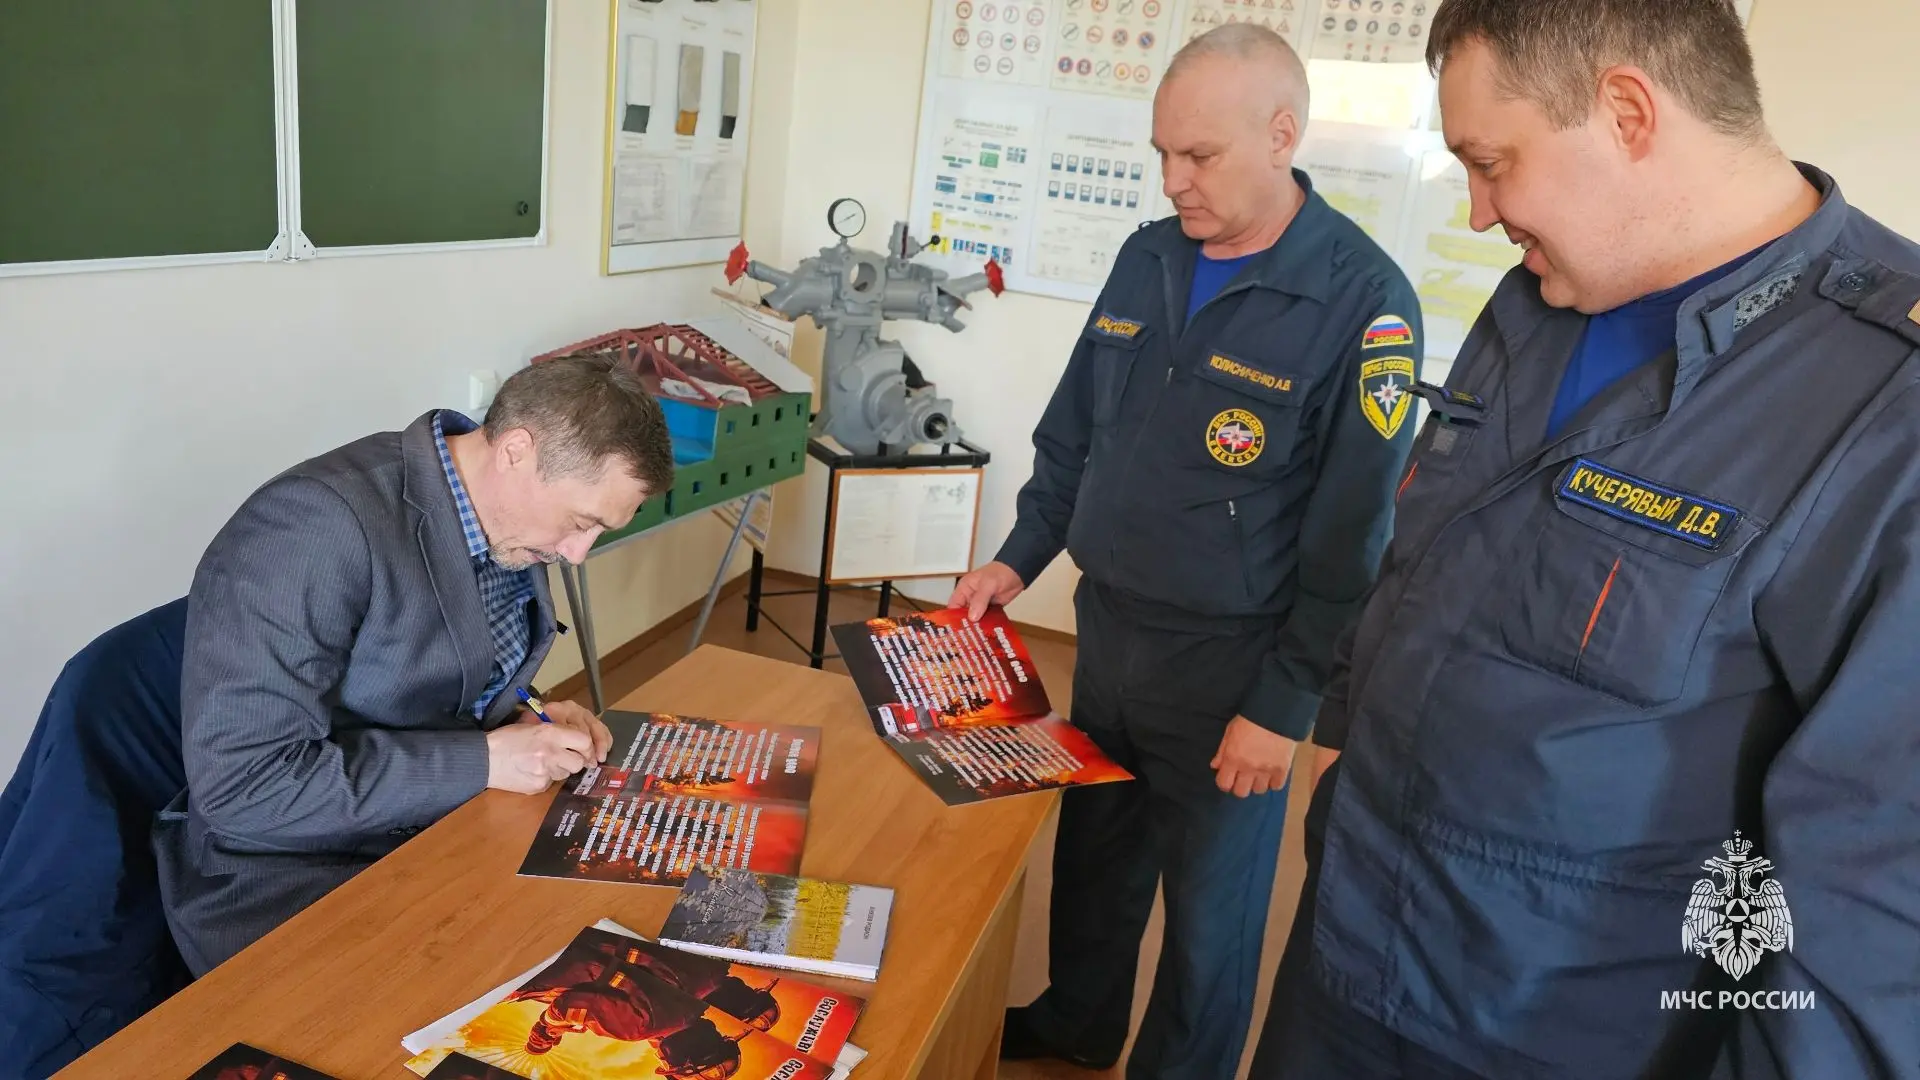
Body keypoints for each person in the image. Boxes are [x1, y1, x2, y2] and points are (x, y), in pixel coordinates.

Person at [1248, 1, 1920, 1077]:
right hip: (1348, 960)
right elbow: (1424, 566)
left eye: (1491, 164)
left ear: (1626, 113)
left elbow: (1876, 915)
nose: (1479, 214)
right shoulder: (1539, 301)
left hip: (1561, 1040)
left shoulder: (1888, 403)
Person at [949, 23, 1424, 1078]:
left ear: (1282, 136)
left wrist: (1285, 706)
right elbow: (1074, 436)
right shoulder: (1149, 256)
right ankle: (1078, 1024)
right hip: (1110, 632)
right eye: (1162, 153)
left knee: (1211, 913)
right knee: (1095, 858)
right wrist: (1017, 559)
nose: (1173, 181)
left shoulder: (1364, 300)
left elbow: (1354, 532)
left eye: (1200, 155)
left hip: (1232, 664)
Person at [152, 355, 675, 976]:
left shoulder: (507, 524)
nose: (578, 553)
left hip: (431, 830)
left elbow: (432, 662)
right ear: (516, 452)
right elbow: (246, 789)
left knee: (631, 925)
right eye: (582, 522)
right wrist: (486, 759)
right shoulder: (312, 526)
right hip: (292, 877)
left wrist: (526, 716)